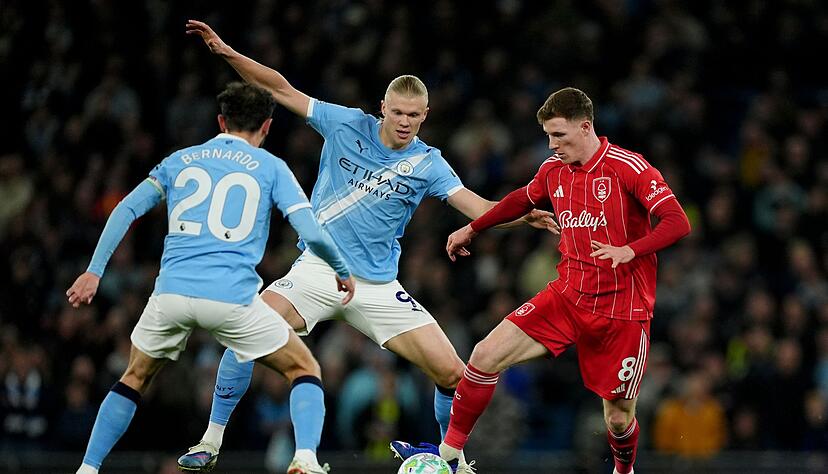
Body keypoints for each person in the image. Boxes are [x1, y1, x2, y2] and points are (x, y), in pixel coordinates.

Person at [180, 20, 558, 474]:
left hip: (378, 287)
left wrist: (523, 216)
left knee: (454, 374)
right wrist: (226, 51)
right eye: (397, 112)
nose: (404, 122)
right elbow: (279, 88)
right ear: (383, 107)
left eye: (414, 115)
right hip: (318, 272)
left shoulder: (428, 162)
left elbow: (478, 207)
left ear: (425, 115)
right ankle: (211, 441)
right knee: (244, 333)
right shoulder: (344, 123)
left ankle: (449, 459)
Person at [67, 82, 355, 474]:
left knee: (134, 377)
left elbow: (126, 209)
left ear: (221, 121)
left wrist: (93, 271)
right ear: (267, 126)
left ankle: (88, 468)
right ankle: (305, 458)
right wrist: (341, 269)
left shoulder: (179, 160)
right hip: (231, 299)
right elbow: (313, 232)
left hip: (171, 295)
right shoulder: (272, 168)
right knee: (304, 368)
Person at [408, 87, 691, 474]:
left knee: (617, 419)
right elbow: (521, 200)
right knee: (484, 356)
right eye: (548, 136)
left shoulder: (629, 167)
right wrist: (473, 228)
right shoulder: (553, 170)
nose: (552, 144)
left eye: (558, 135)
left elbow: (677, 221)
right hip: (567, 298)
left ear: (585, 127)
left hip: (621, 312)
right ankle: (450, 457)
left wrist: (631, 249)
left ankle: (624, 470)